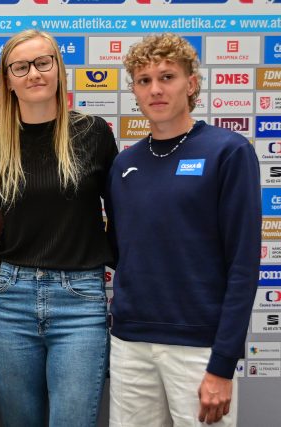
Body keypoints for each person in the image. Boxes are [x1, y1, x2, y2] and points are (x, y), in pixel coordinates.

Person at [106, 33, 261, 426]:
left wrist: (223, 364)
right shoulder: (125, 165)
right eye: (143, 80)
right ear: (135, 92)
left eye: (167, 77)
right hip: (131, 345)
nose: (155, 89)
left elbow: (243, 266)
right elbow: (121, 250)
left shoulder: (228, 151)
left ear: (191, 83)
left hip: (200, 349)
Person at [0, 30, 118, 427]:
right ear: (7, 79)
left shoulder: (93, 132)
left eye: (44, 62)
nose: (33, 74)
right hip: (11, 300)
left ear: (58, 68)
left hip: (80, 300)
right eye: (20, 67)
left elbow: (121, 216)